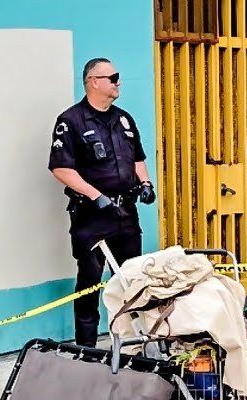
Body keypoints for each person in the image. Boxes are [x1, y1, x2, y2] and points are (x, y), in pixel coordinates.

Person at [49, 57, 155, 347]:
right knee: (90, 284)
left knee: (132, 282)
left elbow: (137, 157)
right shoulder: (70, 121)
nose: (118, 82)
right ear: (93, 81)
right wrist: (95, 196)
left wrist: (145, 184)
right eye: (113, 77)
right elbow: (61, 168)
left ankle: (138, 345)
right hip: (92, 218)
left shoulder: (123, 119)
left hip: (125, 214)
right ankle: (87, 350)